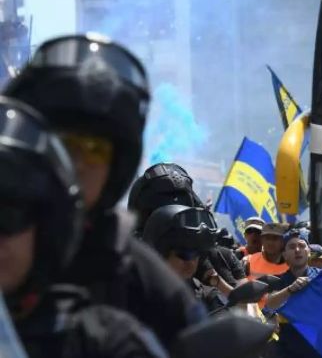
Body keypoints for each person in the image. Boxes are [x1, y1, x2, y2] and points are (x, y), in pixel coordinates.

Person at [3, 34, 205, 350]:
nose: (77, 163)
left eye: (95, 149)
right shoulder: (9, 245)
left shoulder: (139, 277)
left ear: (117, 167)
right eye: (64, 141)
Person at [0, 97, 166, 358]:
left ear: (43, 228)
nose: (79, 162)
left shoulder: (97, 341)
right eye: (66, 142)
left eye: (7, 215)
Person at [129, 162, 248, 295]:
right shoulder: (126, 271)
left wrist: (216, 281)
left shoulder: (213, 259)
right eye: (182, 254)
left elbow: (240, 302)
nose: (190, 262)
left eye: (193, 253)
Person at [141, 204, 227, 316]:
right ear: (159, 253)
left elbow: (222, 315)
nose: (191, 262)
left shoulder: (203, 294)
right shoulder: (133, 295)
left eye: (197, 254)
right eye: (185, 254)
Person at [264, 229, 322, 358]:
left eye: (301, 246)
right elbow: (269, 305)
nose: (297, 250)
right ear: (284, 255)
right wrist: (290, 289)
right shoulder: (277, 281)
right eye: (291, 247)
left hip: (320, 348)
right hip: (290, 349)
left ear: (309, 252)